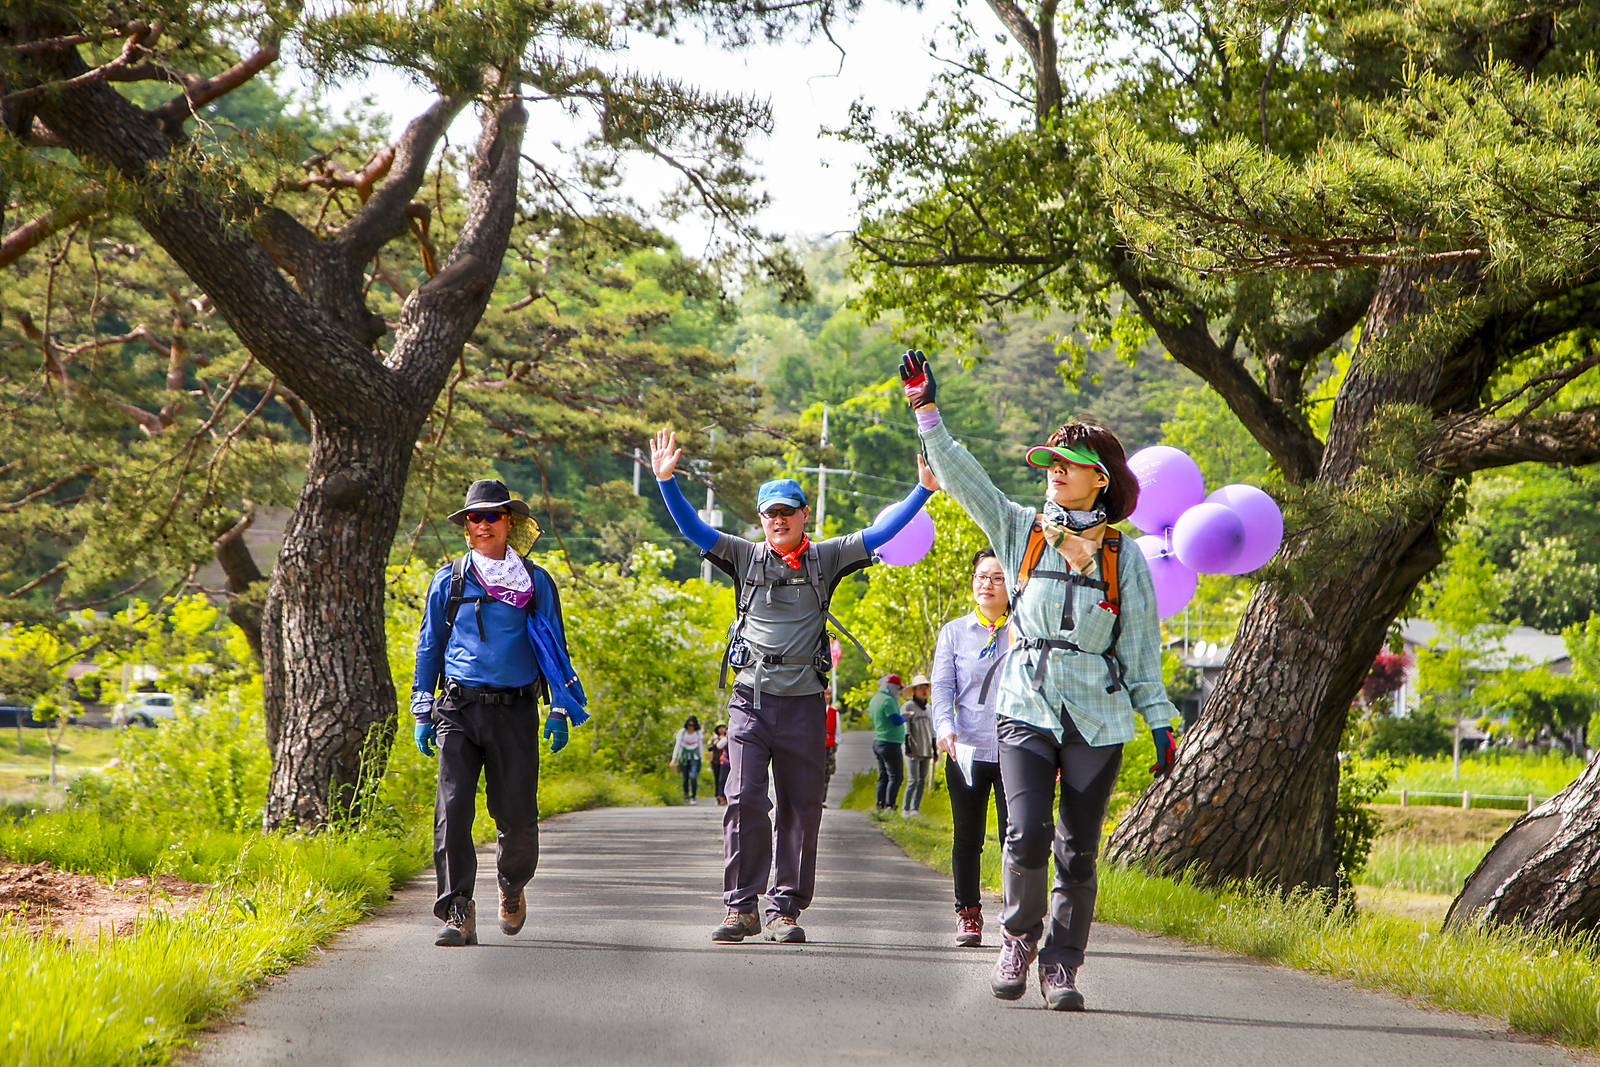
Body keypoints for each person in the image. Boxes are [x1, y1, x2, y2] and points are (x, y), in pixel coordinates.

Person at [901, 350, 1178, 1011]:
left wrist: (1161, 722)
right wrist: (926, 410)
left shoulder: (1124, 557)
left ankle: (1062, 965)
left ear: (1099, 479)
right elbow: (963, 475)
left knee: (1077, 850)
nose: (1054, 472)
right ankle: (1018, 939)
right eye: (1050, 463)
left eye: (1067, 464)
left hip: (1097, 717)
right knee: (1025, 833)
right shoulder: (1020, 529)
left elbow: (1141, 651)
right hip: (1024, 702)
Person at [650, 428, 938, 944]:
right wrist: (666, 481)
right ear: (761, 519)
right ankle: (741, 907)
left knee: (801, 808)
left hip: (804, 703)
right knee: (743, 799)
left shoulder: (827, 558)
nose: (778, 520)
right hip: (750, 702)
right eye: (770, 514)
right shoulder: (743, 556)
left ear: (805, 514)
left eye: (787, 512)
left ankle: (784, 909)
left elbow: (883, 533)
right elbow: (694, 528)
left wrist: (923, 491)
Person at [412, 478, 586, 948]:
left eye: (493, 516)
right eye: (475, 517)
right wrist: (422, 709)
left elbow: (554, 646)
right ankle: (457, 910)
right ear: (467, 526)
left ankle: (511, 885)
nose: (483, 524)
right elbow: (429, 646)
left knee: (517, 817)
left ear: (509, 522)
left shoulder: (536, 581)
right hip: (457, 708)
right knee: (452, 812)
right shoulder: (449, 580)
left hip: (515, 710)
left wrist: (558, 709)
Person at [931, 547, 1012, 947]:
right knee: (967, 837)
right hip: (966, 749)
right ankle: (968, 913)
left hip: (1018, 750)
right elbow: (942, 687)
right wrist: (944, 728)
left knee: (1020, 838)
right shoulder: (954, 632)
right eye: (982, 576)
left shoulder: (1026, 630)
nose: (988, 585)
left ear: (1012, 584)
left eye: (997, 578)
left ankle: (1018, 915)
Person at [867, 675, 906, 812]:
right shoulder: (888, 700)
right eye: (897, 688)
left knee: (884, 775)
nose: (898, 692)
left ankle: (880, 804)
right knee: (896, 776)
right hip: (890, 742)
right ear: (891, 687)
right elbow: (895, 720)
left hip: (878, 741)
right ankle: (889, 806)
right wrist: (905, 717)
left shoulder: (875, 699)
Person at [900, 674, 935, 815]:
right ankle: (905, 809)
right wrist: (907, 747)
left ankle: (915, 808)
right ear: (914, 690)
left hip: (926, 749)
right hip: (912, 749)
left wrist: (934, 750)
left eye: (925, 688)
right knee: (913, 780)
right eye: (920, 688)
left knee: (922, 781)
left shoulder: (929, 708)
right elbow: (905, 728)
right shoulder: (908, 706)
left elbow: (932, 730)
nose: (924, 691)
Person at [672, 716, 705, 804]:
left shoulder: (698, 733)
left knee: (693, 776)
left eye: (693, 725)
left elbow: (700, 746)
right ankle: (686, 795)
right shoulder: (682, 732)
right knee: (685, 777)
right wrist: (674, 758)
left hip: (695, 757)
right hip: (684, 757)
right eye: (689, 725)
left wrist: (701, 756)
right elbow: (678, 745)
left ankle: (693, 796)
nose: (691, 727)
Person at [822, 686, 840, 805]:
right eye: (825, 694)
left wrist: (835, 744)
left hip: (829, 747)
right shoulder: (813, 711)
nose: (827, 696)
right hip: (816, 748)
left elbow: (838, 732)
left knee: (827, 773)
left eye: (829, 694)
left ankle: (822, 799)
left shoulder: (834, 712)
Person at [710, 723, 732, 805]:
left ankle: (729, 797)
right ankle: (721, 796)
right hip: (725, 762)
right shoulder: (725, 738)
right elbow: (719, 746)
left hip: (734, 763)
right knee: (722, 780)